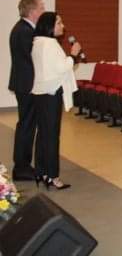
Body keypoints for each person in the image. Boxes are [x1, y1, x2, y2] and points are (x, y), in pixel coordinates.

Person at [31, 12, 81, 189]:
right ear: (49, 26)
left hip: (40, 92)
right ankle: (53, 176)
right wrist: (73, 55)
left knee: (43, 134)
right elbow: (61, 67)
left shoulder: (37, 42)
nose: (63, 26)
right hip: (51, 93)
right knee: (52, 136)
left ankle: (41, 172)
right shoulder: (50, 43)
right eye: (59, 23)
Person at [9, 0, 45, 181]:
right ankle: (22, 167)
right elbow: (32, 58)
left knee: (27, 125)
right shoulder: (25, 31)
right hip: (27, 85)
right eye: (41, 8)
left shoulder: (23, 28)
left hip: (24, 83)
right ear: (32, 12)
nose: (43, 11)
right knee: (27, 126)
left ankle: (22, 165)